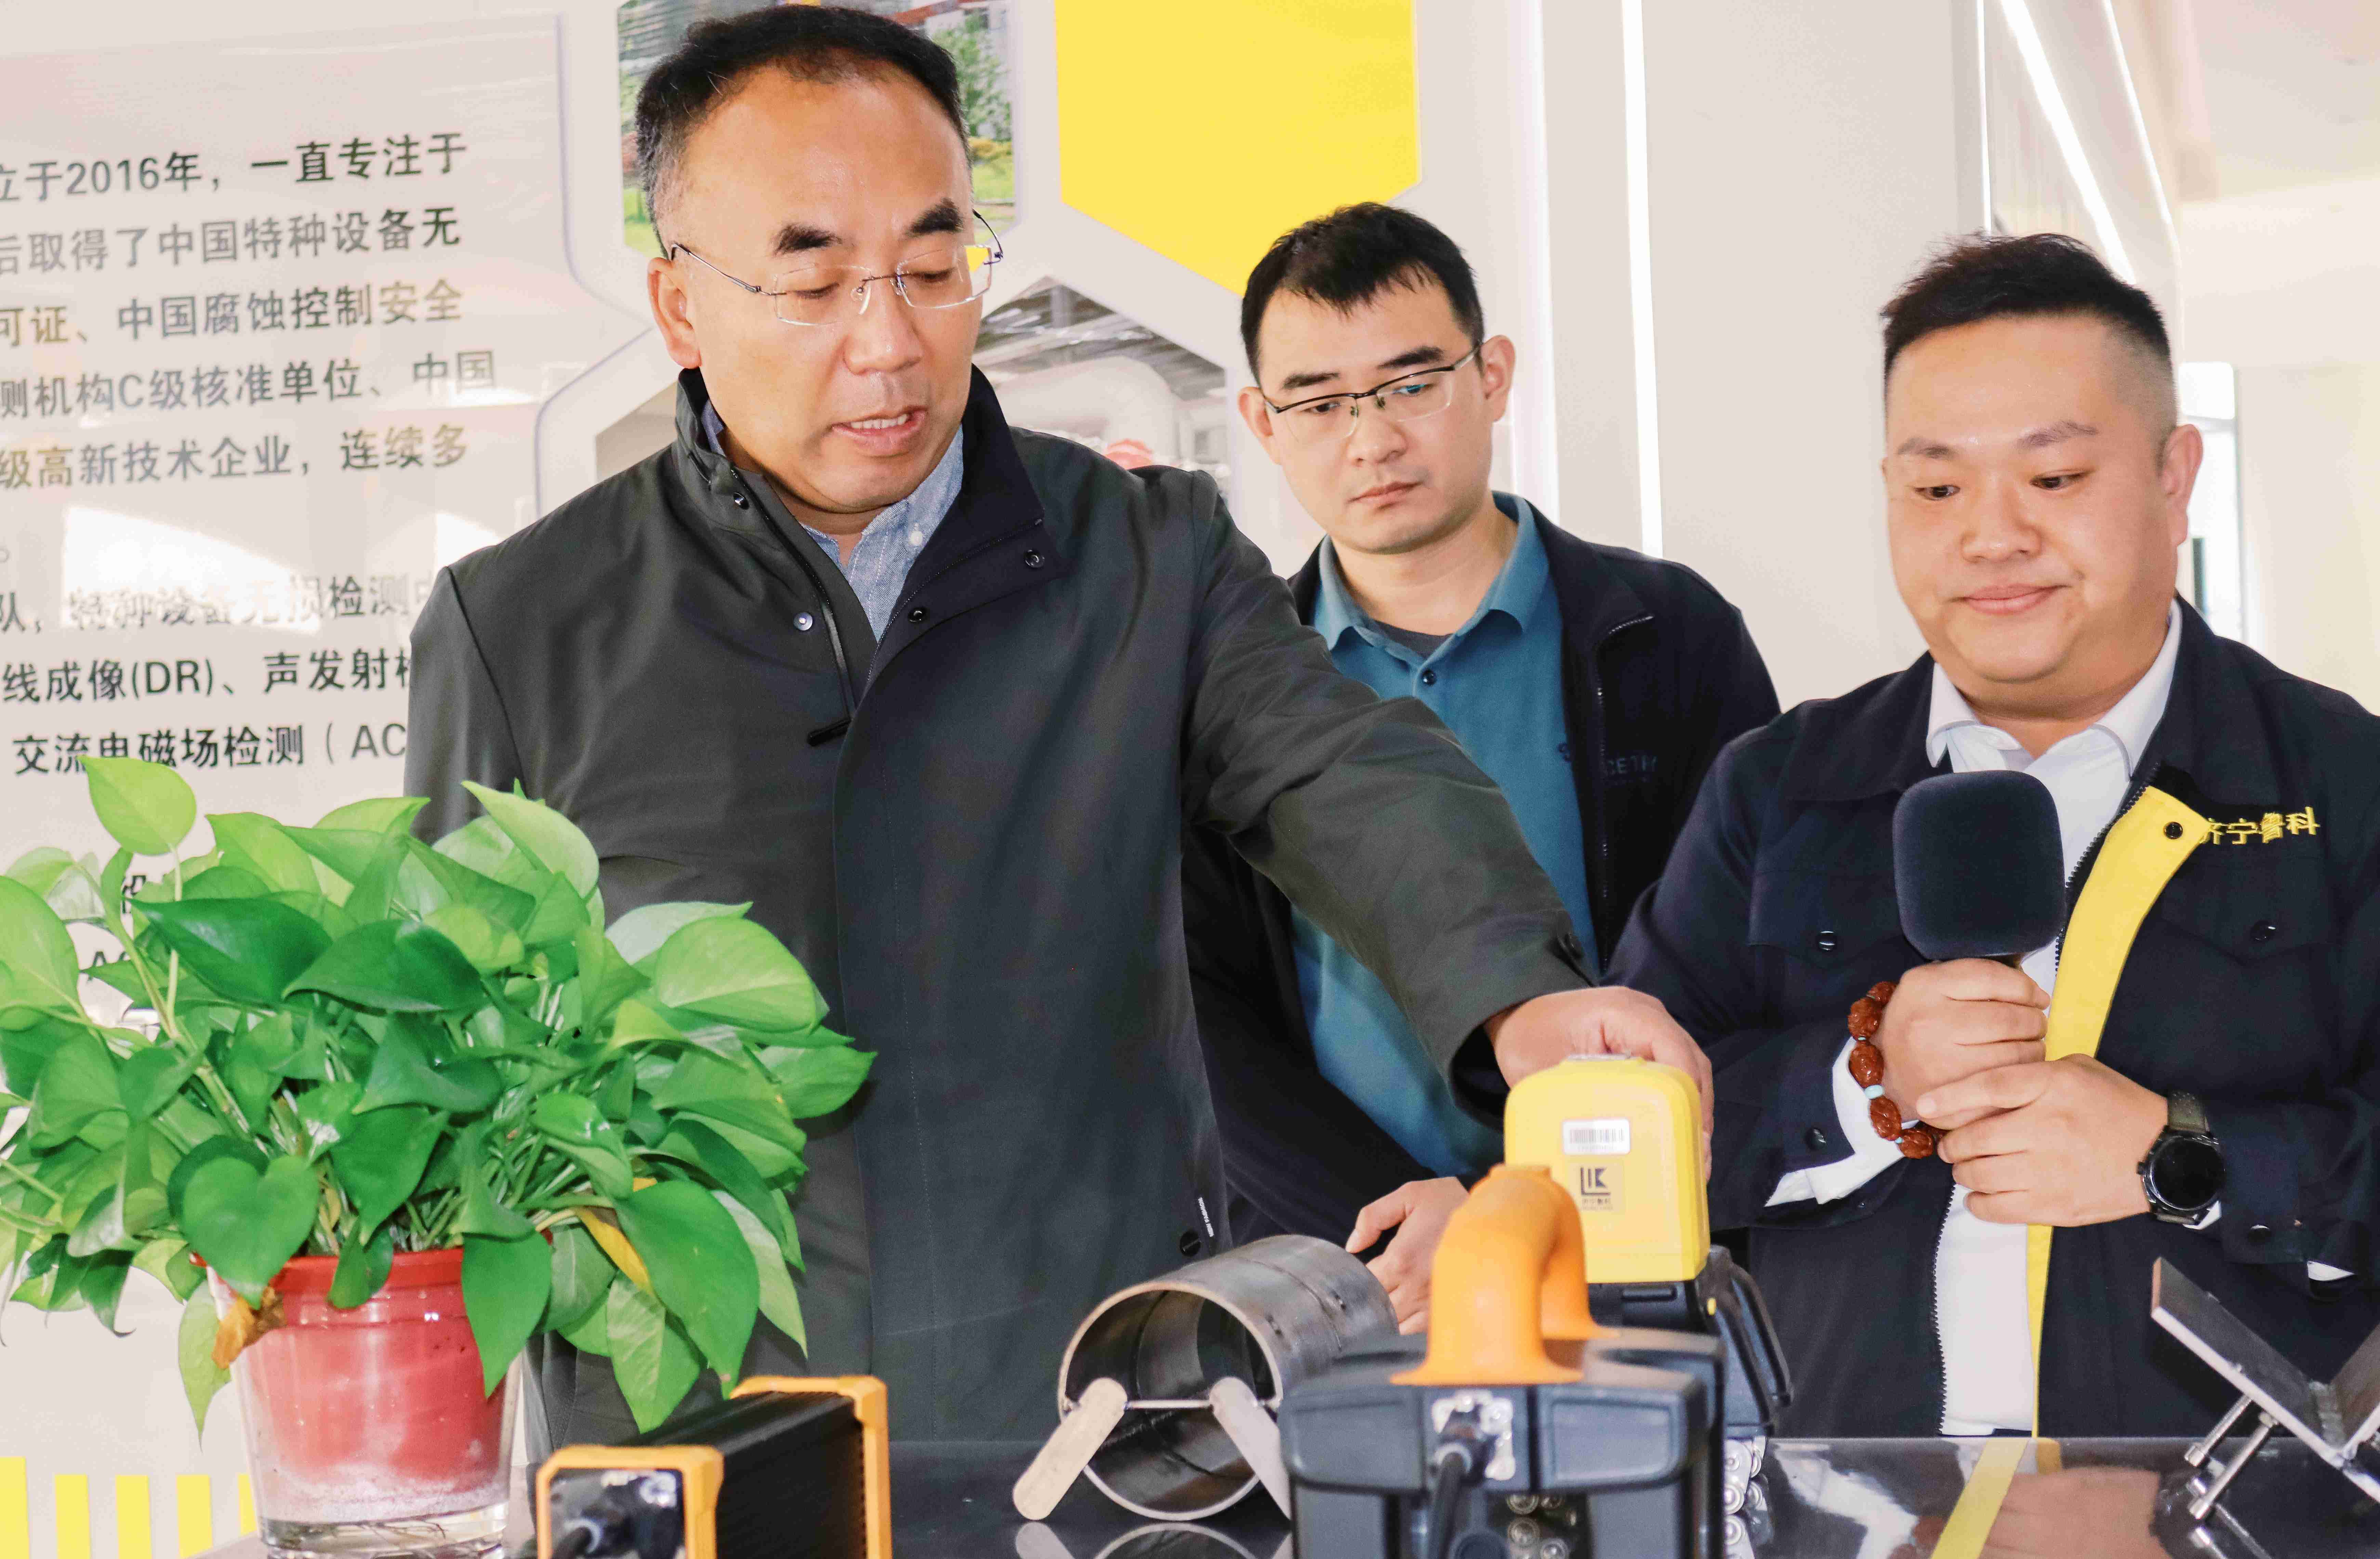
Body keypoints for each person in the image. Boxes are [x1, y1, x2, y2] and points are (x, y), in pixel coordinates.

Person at [404, 6, 1710, 1442]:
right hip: (702, 1430)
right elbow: (451, 1057)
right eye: (815, 281)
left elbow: (1346, 771)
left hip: (1098, 1408)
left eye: (932, 267)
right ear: (679, 308)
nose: (889, 343)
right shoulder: (523, 624)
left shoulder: (1140, 553)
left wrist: (1518, 990)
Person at [1608, 232, 2380, 1436]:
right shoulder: (1778, 788)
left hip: (2228, 1516)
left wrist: (2177, 1158)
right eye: (1937, 489)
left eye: (2054, 478)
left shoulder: (2345, 782)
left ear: (2176, 477)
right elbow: (1624, 1147)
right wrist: (1864, 1084)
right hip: (1852, 1507)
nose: (1992, 536)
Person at [1181, 204, 1776, 1326]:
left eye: (1412, 384)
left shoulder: (1670, 636)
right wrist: (1385, 1227)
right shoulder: (1221, 692)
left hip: (1628, 1250)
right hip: (1349, 1274)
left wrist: (1531, 1197)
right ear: (1262, 422)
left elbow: (1736, 964)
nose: (1371, 440)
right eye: (1320, 402)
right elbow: (1203, 1025)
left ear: (1492, 375)